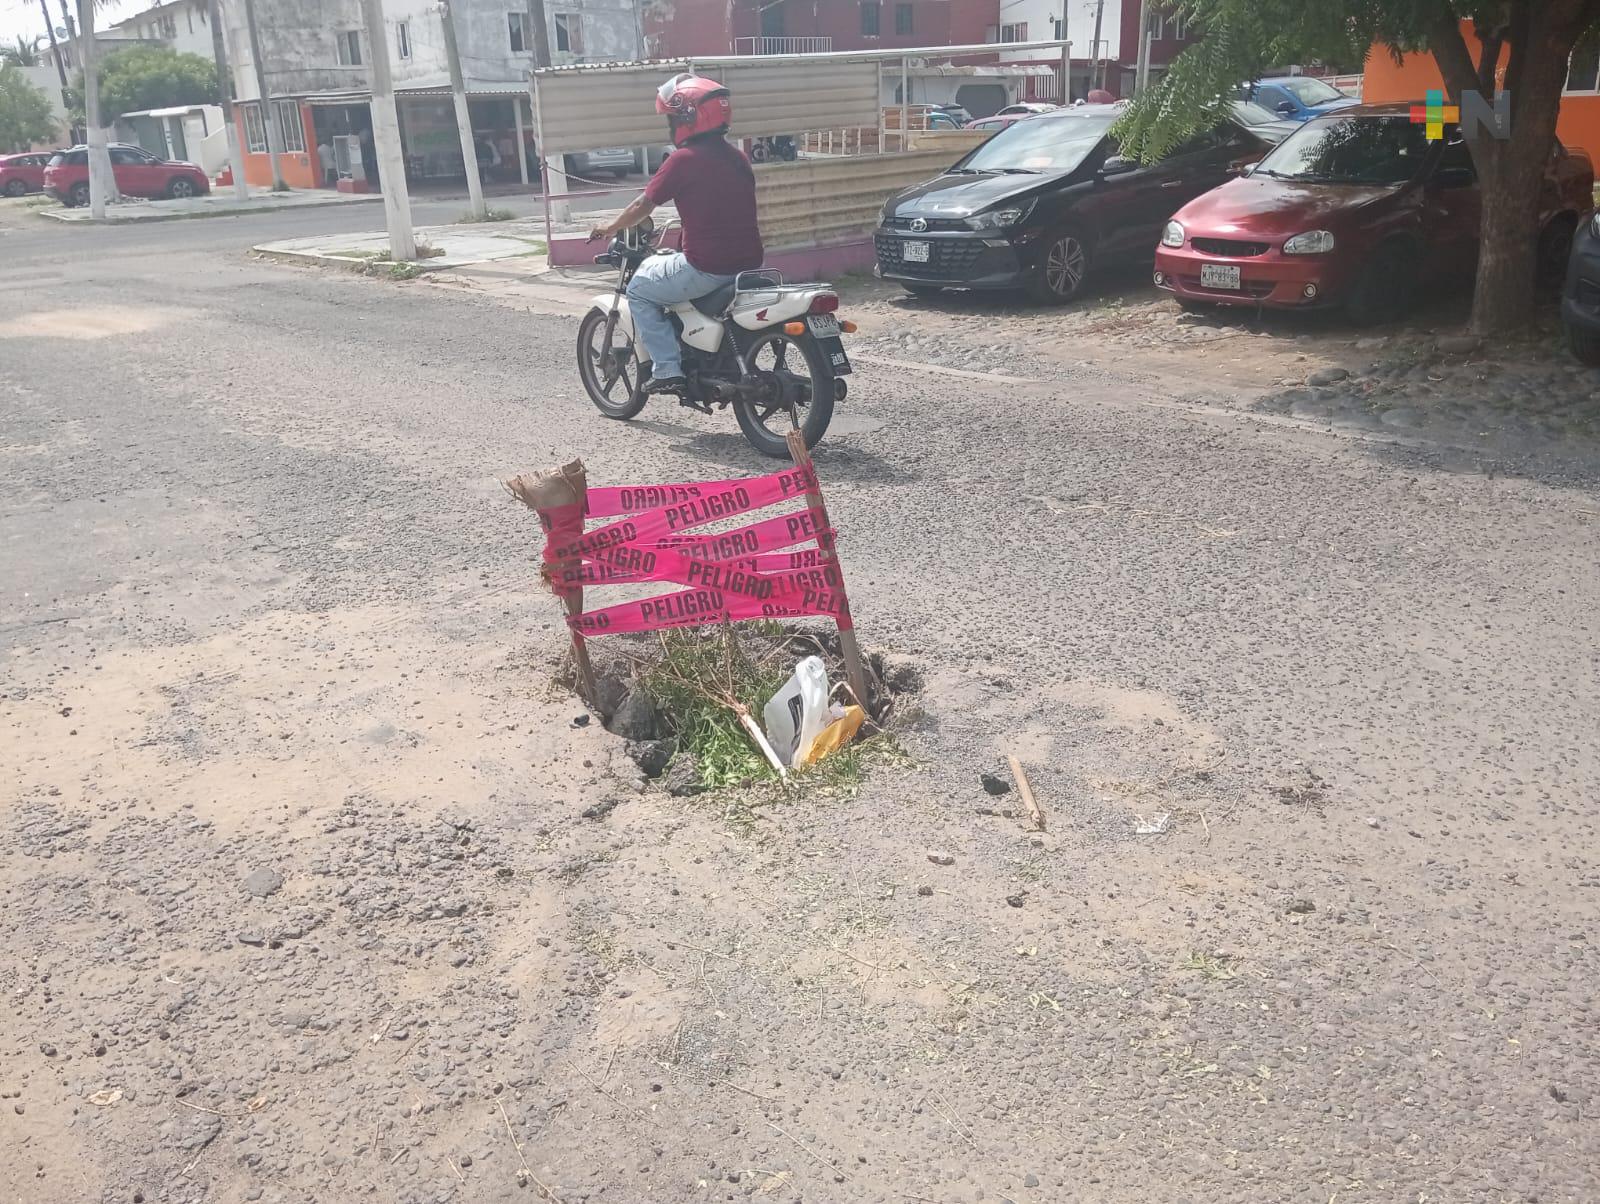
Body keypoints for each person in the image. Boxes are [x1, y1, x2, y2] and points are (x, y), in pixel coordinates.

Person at [588, 73, 764, 395]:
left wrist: (609, 227)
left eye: (672, 118)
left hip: (708, 267)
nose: (670, 126)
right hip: (748, 263)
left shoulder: (683, 160)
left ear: (688, 117)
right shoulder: (738, 158)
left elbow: (643, 205)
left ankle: (668, 369)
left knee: (641, 289)